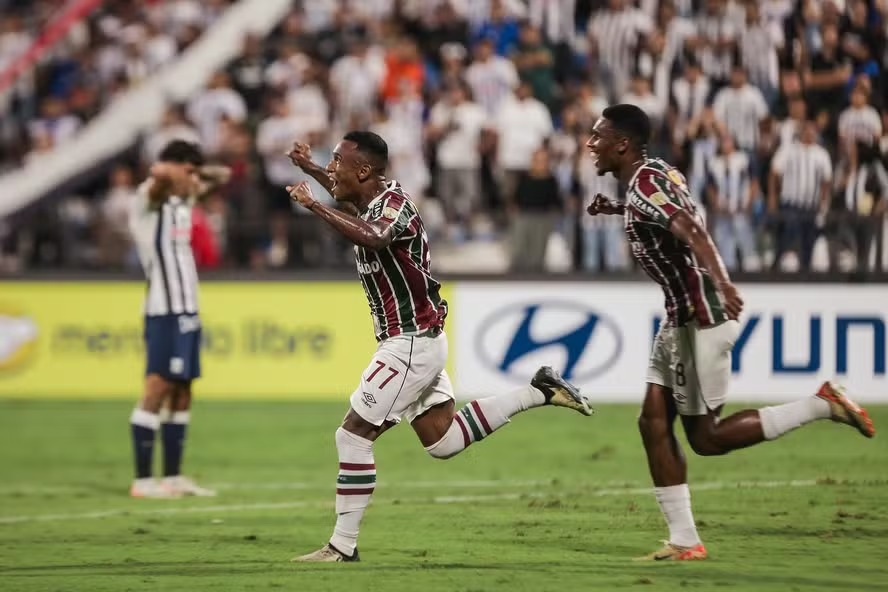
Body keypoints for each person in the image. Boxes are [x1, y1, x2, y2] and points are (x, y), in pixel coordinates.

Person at [584, 104, 875, 561]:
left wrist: (723, 282)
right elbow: (668, 212)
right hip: (679, 317)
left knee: (707, 438)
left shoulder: (644, 183)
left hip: (701, 316)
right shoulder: (655, 175)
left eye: (597, 136)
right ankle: (683, 540)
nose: (590, 144)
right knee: (652, 422)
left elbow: (692, 229)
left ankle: (822, 405)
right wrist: (616, 209)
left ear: (622, 144)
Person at [285, 131, 592, 562]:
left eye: (336, 162)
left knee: (352, 436)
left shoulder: (393, 206)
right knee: (442, 441)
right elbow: (352, 200)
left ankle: (341, 546)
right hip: (418, 342)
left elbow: (373, 236)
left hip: (409, 343)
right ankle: (538, 390)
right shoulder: (372, 196)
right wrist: (311, 170)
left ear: (365, 170)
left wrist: (314, 204)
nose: (330, 169)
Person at [127, 140, 231, 498]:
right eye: (189, 171)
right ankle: (142, 481)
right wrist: (173, 172)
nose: (195, 180)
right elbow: (157, 178)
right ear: (176, 168)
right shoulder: (148, 199)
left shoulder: (182, 200)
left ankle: (172, 477)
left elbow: (223, 175)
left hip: (188, 309)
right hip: (164, 310)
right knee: (157, 387)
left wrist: (193, 174)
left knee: (183, 391)